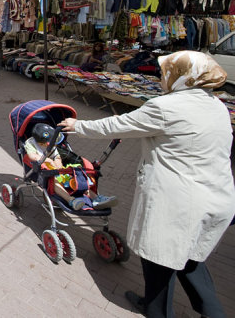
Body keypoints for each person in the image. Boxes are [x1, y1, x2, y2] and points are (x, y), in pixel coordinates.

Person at [57, 51, 235, 318]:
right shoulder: (217, 106)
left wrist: (77, 125)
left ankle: (156, 311)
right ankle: (213, 313)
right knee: (191, 261)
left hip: (180, 203)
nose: (162, 76)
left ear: (183, 77)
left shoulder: (167, 107)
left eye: (168, 72)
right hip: (217, 199)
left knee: (160, 261)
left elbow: (117, 125)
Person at [23, 124, 117, 210]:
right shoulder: (31, 143)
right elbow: (32, 156)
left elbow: (57, 157)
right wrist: (48, 160)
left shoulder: (52, 143)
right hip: (44, 171)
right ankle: (71, 200)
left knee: (77, 178)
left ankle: (96, 198)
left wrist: (58, 166)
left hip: (57, 170)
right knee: (55, 182)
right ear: (43, 143)